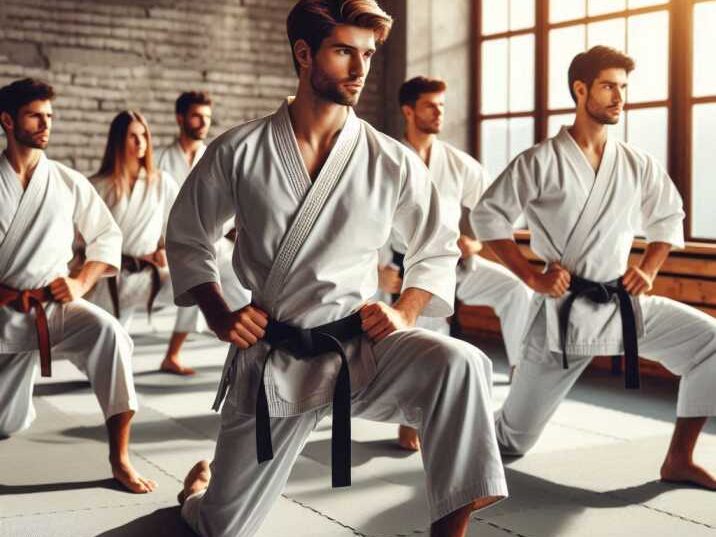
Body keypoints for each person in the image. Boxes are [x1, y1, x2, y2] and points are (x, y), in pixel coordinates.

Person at [168, 1, 508, 536]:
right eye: (344, 51)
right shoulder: (240, 151)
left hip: (360, 349)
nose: (360, 68)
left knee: (461, 364)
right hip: (275, 356)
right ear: (304, 54)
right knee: (220, 529)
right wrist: (218, 312)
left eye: (368, 54)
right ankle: (197, 495)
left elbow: (436, 247)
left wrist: (408, 309)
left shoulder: (388, 159)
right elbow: (188, 236)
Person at [473, 46, 716, 490]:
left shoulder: (635, 162)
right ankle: (452, 420)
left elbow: (668, 216)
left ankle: (679, 457)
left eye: (623, 88)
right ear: (580, 89)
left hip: (622, 304)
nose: (619, 97)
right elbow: (487, 217)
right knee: (512, 439)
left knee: (711, 343)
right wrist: (530, 276)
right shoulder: (540, 161)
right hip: (562, 314)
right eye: (608, 86)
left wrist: (649, 267)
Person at [0, 78, 156, 493]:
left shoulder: (66, 181)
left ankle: (119, 458)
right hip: (1, 311)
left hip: (52, 309)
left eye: (49, 115)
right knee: (4, 421)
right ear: (8, 121)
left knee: (112, 336)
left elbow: (107, 236)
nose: (45, 123)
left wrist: (81, 280)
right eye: (35, 115)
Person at [384, 76, 533, 451]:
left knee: (516, 289)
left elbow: (492, 208)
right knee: (430, 341)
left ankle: (522, 374)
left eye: (442, 106)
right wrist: (379, 266)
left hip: (456, 262)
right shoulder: (389, 160)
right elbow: (367, 221)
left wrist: (477, 241)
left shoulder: (455, 161)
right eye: (431, 106)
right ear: (408, 110)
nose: (439, 113)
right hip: (410, 269)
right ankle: (410, 421)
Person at [156, 91, 249, 375]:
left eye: (207, 118)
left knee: (242, 290)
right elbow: (152, 206)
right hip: (167, 243)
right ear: (180, 118)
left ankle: (250, 352)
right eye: (196, 116)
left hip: (214, 241)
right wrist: (158, 244)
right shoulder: (159, 159)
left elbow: (230, 200)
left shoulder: (215, 156)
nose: (202, 123)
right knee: (195, 275)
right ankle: (172, 354)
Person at [86, 110, 178, 330]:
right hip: (105, 275)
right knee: (110, 336)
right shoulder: (98, 185)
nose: (140, 142)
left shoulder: (161, 182)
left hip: (147, 274)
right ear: (118, 141)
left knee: (195, 281)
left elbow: (177, 226)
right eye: (132, 136)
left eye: (144, 135)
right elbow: (82, 238)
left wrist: (165, 249)